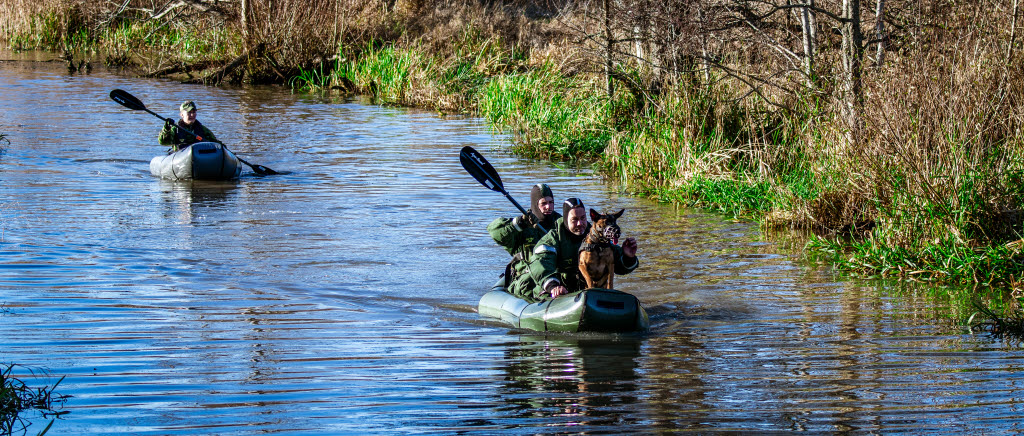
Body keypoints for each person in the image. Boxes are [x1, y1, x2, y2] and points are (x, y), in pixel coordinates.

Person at [517, 197, 638, 303]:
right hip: (556, 292)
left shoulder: (597, 238)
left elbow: (617, 266)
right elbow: (540, 263)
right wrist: (553, 286)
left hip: (583, 293)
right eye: (574, 219)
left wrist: (628, 256)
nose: (580, 223)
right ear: (565, 220)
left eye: (583, 218)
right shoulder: (552, 239)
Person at [488, 184, 560, 287]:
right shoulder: (522, 227)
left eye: (551, 202)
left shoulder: (562, 223)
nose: (548, 207)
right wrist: (521, 223)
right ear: (535, 205)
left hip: (556, 274)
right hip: (527, 279)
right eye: (543, 203)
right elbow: (494, 232)